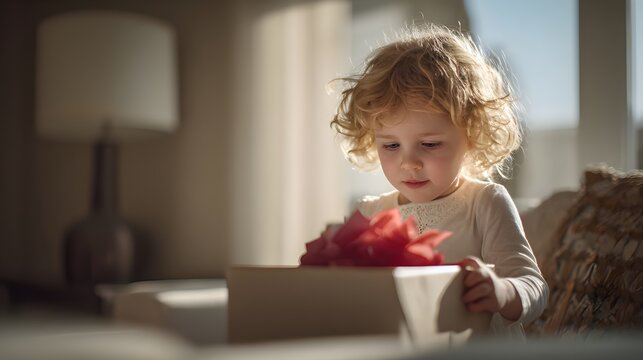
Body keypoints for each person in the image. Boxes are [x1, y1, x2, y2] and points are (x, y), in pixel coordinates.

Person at [330, 24, 548, 337]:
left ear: (471, 136)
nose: (408, 162)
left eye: (429, 144)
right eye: (391, 145)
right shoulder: (370, 214)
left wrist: (502, 291)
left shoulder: (485, 203)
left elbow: (535, 288)